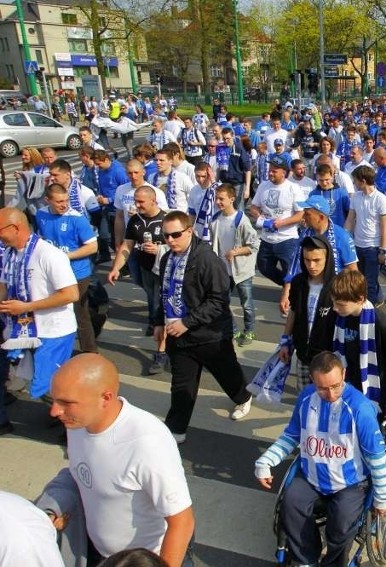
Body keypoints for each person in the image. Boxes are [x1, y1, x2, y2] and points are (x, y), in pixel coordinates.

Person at [41, 354, 194, 566]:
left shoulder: (147, 442)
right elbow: (83, 474)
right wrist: (54, 508)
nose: (54, 411)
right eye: (55, 399)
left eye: (66, 403)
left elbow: (182, 522)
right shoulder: (77, 425)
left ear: (105, 397)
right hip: (100, 555)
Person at [255, 352, 386, 567]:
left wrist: (383, 498)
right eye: (322, 388)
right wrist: (265, 462)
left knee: (341, 524)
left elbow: (376, 457)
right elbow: (292, 435)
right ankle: (305, 560)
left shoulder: (360, 408)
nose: (330, 394)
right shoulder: (306, 397)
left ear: (344, 374)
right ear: (312, 379)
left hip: (351, 481)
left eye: (336, 386)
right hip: (311, 475)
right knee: (290, 507)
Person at [154, 211, 253, 443]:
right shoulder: (168, 259)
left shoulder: (208, 260)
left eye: (175, 235)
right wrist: (159, 321)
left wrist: (187, 323)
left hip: (211, 336)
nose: (170, 240)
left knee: (228, 375)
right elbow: (165, 293)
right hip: (179, 338)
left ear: (189, 231)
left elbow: (218, 302)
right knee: (181, 385)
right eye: (165, 236)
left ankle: (243, 396)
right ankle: (176, 430)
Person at [309, 271, 386, 465]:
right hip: (350, 388)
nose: (336, 309)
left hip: (378, 393)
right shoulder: (338, 317)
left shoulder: (381, 324)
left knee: (385, 433)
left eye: (341, 304)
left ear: (360, 299)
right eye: (334, 303)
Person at [0, 207, 79, 401]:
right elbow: (3, 286)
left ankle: (73, 425)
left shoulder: (49, 254)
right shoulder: (10, 254)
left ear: (16, 227)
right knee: (40, 383)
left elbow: (71, 294)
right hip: (24, 330)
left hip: (53, 332)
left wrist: (26, 307)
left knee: (56, 385)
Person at [108, 187, 169, 373]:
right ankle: (159, 328)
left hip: (164, 273)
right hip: (145, 270)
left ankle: (161, 353)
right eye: (136, 200)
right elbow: (127, 245)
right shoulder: (135, 220)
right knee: (153, 300)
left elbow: (181, 245)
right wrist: (116, 268)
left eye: (141, 201)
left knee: (160, 308)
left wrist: (160, 249)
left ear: (153, 201)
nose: (137, 205)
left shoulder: (166, 220)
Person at [35, 184, 99, 354]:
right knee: (57, 310)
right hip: (52, 273)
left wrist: (66, 256)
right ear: (47, 200)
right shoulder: (41, 214)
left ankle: (90, 352)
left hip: (77, 272)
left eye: (66, 200)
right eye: (59, 202)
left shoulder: (76, 218)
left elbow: (92, 247)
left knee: (79, 313)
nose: (64, 204)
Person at [280, 236, 337, 390]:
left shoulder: (336, 286)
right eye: (307, 260)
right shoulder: (298, 282)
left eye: (317, 260)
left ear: (328, 258)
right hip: (303, 355)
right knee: (305, 397)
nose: (311, 265)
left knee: (327, 399)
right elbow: (293, 311)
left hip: (328, 358)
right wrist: (285, 340)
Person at [209, 184, 260, 347]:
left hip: (241, 271)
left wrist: (234, 252)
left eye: (221, 199)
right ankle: (233, 330)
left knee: (247, 304)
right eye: (217, 198)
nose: (218, 202)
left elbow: (254, 244)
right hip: (223, 270)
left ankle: (249, 330)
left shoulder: (241, 220)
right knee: (222, 302)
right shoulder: (215, 219)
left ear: (232, 199)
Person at [249, 156, 304, 293]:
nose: (270, 173)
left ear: (283, 173)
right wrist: (258, 215)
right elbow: (253, 207)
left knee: (289, 270)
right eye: (270, 170)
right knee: (264, 267)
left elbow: (301, 214)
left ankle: (292, 292)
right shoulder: (263, 186)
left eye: (274, 171)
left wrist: (282, 222)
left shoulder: (293, 188)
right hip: (267, 237)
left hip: (286, 239)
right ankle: (289, 286)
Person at [346, 165, 386, 305]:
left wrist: (382, 250)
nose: (354, 183)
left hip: (373, 248)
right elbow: (350, 220)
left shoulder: (381, 200)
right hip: (357, 246)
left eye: (355, 180)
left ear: (363, 181)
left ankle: (369, 313)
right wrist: (342, 237)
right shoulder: (355, 197)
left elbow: (385, 228)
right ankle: (376, 299)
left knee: (370, 283)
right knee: (359, 281)